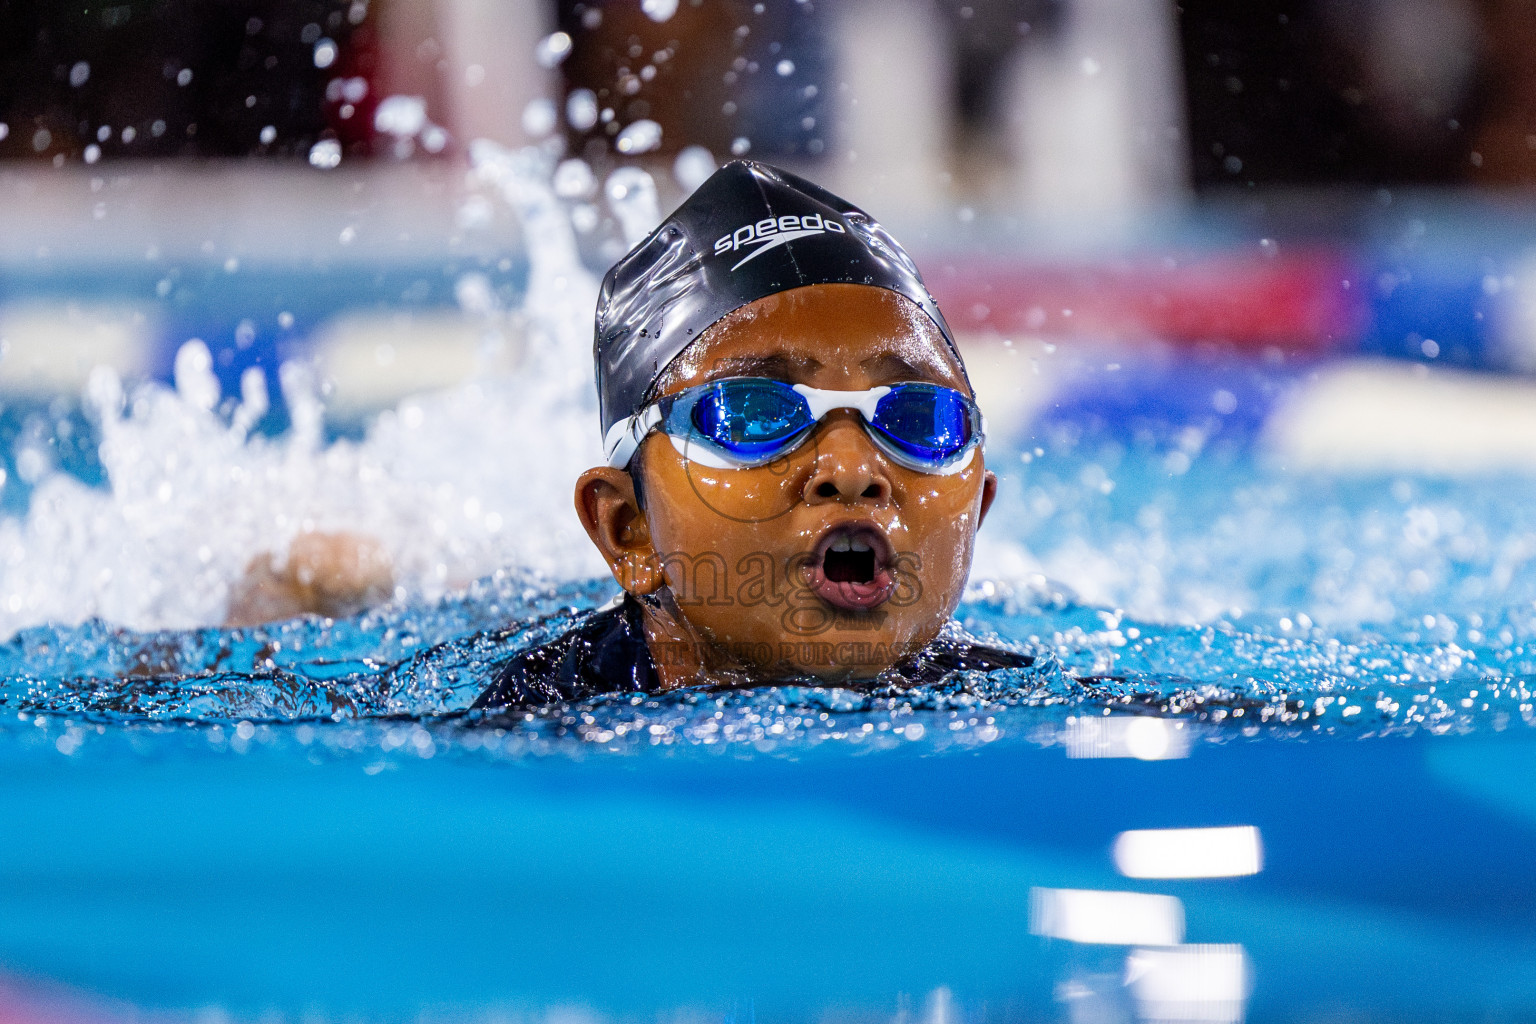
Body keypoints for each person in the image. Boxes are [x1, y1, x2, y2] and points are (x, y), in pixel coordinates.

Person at [473, 160, 1031, 710]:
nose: (853, 471)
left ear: (976, 513)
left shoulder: (1024, 717)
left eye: (915, 418)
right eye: (753, 414)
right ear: (628, 529)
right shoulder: (532, 731)